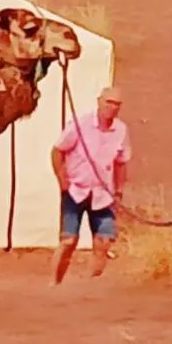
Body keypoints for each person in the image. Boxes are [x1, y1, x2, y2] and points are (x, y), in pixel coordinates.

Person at [50, 86, 131, 284]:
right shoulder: (80, 124)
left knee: (103, 242)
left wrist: (119, 191)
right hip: (76, 190)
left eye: (117, 104)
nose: (112, 108)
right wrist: (63, 180)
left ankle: (89, 287)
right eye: (108, 102)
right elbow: (57, 150)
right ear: (99, 102)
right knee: (68, 241)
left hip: (103, 194)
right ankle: (54, 283)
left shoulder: (121, 130)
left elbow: (121, 162)